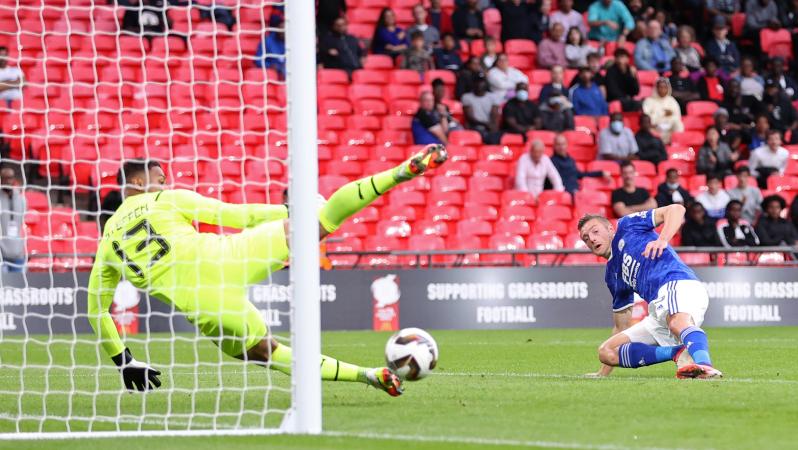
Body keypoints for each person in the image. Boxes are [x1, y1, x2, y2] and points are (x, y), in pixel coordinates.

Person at [87, 145, 450, 394]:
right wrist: (294, 212)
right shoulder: (166, 199)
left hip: (206, 306)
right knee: (320, 222)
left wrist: (124, 361)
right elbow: (235, 215)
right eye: (159, 178)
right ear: (137, 183)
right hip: (230, 255)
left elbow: (96, 311)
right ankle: (400, 172)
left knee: (267, 353)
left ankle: (369, 376)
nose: (165, 183)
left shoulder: (107, 243)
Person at [578, 204, 723, 379]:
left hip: (677, 284)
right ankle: (677, 353)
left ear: (610, 228)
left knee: (677, 322)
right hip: (658, 310)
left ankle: (704, 366)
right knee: (607, 351)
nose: (591, 239)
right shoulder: (612, 274)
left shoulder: (627, 226)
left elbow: (677, 209)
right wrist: (603, 373)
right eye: (586, 238)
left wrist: (663, 239)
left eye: (595, 231)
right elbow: (620, 324)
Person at [0, 163, 25, 273]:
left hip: (18, 253)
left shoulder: (22, 200)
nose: (7, 181)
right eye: (4, 178)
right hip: (1, 254)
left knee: (18, 288)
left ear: (14, 179)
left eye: (10, 178)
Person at [642, 78, 683, 144]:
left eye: (665, 87)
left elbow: (678, 117)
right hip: (655, 129)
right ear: (656, 88)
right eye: (660, 87)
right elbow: (646, 119)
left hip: (669, 129)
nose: (663, 89)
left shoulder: (672, 101)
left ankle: (677, 145)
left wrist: (670, 115)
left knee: (679, 124)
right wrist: (662, 113)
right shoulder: (648, 101)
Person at [461, 78, 502, 144]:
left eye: (481, 84)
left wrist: (493, 126)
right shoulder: (467, 97)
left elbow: (494, 114)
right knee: (485, 136)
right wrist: (486, 124)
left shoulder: (493, 97)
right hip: (475, 126)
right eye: (477, 84)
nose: (479, 86)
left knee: (498, 136)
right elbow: (470, 117)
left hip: (490, 126)